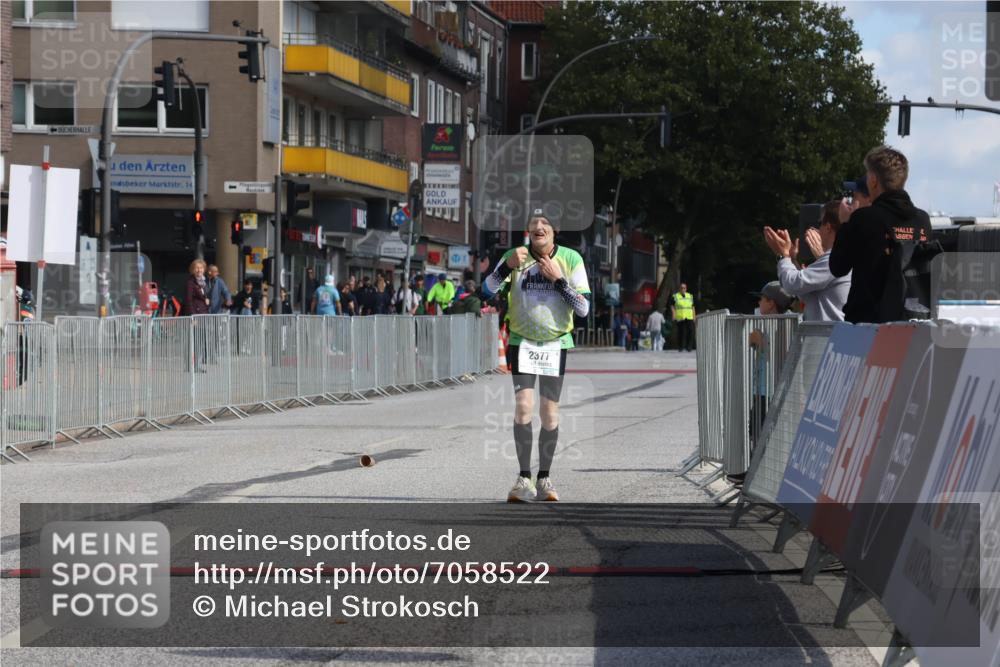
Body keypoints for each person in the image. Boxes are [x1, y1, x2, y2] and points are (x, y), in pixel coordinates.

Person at [483, 209, 591, 503]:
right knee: (523, 408)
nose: (539, 227)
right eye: (533, 223)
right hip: (522, 342)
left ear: (554, 230)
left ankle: (544, 477)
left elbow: (583, 309)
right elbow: (486, 289)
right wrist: (506, 267)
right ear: (527, 231)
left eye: (545, 223)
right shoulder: (516, 255)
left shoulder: (570, 259)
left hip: (555, 343)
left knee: (549, 412)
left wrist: (559, 281)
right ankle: (523, 479)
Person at [829, 145, 932, 324]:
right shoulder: (922, 220)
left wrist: (845, 224)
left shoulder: (864, 218)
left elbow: (838, 267)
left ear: (874, 180)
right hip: (913, 322)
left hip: (868, 325)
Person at [728, 281, 794, 485]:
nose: (758, 302)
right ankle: (756, 472)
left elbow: (778, 353)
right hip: (762, 387)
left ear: (772, 303)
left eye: (762, 299)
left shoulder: (782, 324)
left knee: (763, 431)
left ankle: (761, 476)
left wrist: (760, 340)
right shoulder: (767, 323)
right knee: (755, 429)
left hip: (770, 389)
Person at [762, 200, 851, 322]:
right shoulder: (841, 255)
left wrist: (783, 255)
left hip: (828, 337)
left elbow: (791, 284)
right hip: (829, 337)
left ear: (828, 227)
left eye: (819, 223)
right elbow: (804, 292)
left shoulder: (835, 258)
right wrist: (792, 260)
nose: (818, 229)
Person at [671, 282, 696, 351]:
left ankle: (689, 347)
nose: (683, 289)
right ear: (679, 289)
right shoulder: (675, 296)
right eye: (681, 288)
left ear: (686, 289)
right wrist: (673, 314)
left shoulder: (690, 296)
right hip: (680, 316)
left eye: (684, 288)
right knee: (681, 332)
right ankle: (681, 347)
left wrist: (694, 316)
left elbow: (693, 307)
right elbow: (672, 306)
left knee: (691, 331)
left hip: (689, 316)